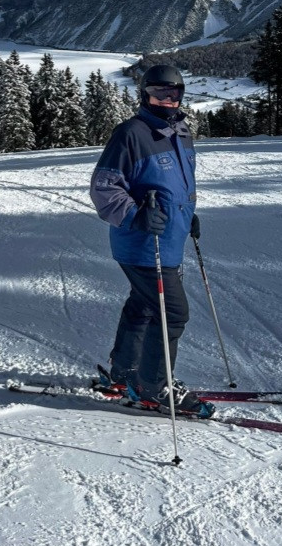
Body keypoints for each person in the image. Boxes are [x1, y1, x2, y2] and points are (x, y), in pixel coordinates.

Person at [89, 64, 214, 418]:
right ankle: (154, 387)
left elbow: (174, 185)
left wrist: (185, 215)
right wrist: (136, 215)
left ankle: (124, 373)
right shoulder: (131, 133)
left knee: (144, 307)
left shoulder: (182, 132)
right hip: (142, 245)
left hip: (169, 241)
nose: (166, 100)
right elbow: (104, 188)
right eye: (158, 94)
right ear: (144, 96)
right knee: (172, 313)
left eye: (173, 94)